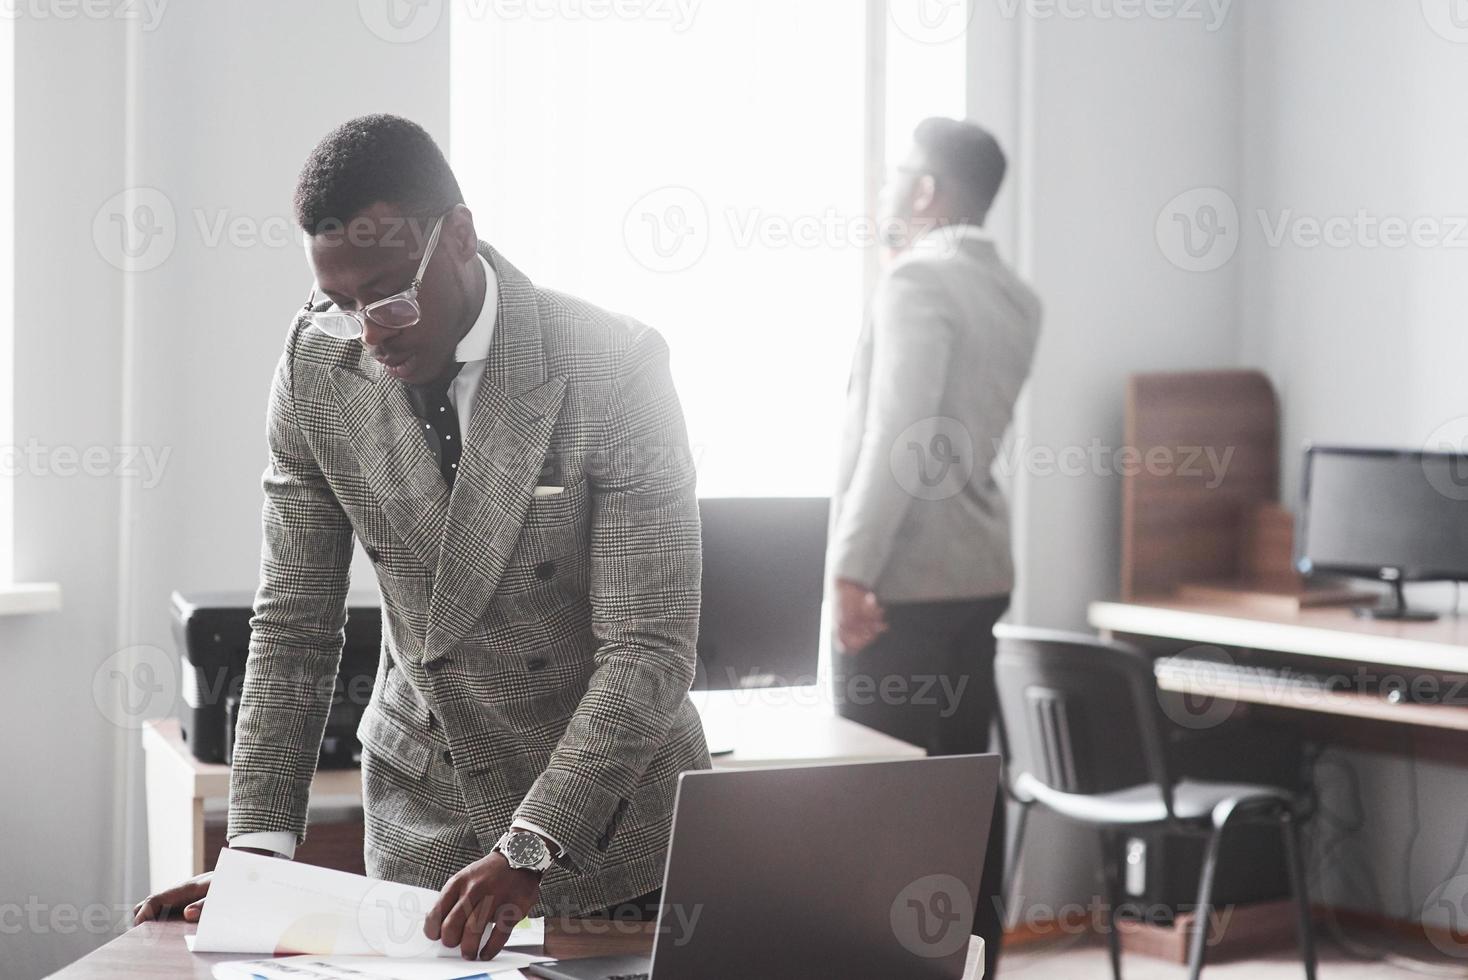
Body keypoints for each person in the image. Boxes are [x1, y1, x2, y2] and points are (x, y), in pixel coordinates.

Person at [132, 114, 709, 963]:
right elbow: (294, 622)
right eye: (341, 304)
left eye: (391, 295)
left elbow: (650, 646)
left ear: (463, 237)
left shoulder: (613, 367)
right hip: (427, 809)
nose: (370, 332)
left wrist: (533, 844)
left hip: (612, 821)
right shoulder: (315, 367)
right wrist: (257, 855)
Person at [828, 117, 1042, 979]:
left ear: (925, 192)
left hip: (902, 582)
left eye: (898, 176)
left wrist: (850, 568)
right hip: (980, 571)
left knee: (880, 805)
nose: (885, 190)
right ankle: (972, 963)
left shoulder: (918, 280)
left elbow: (902, 437)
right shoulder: (1016, 295)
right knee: (964, 795)